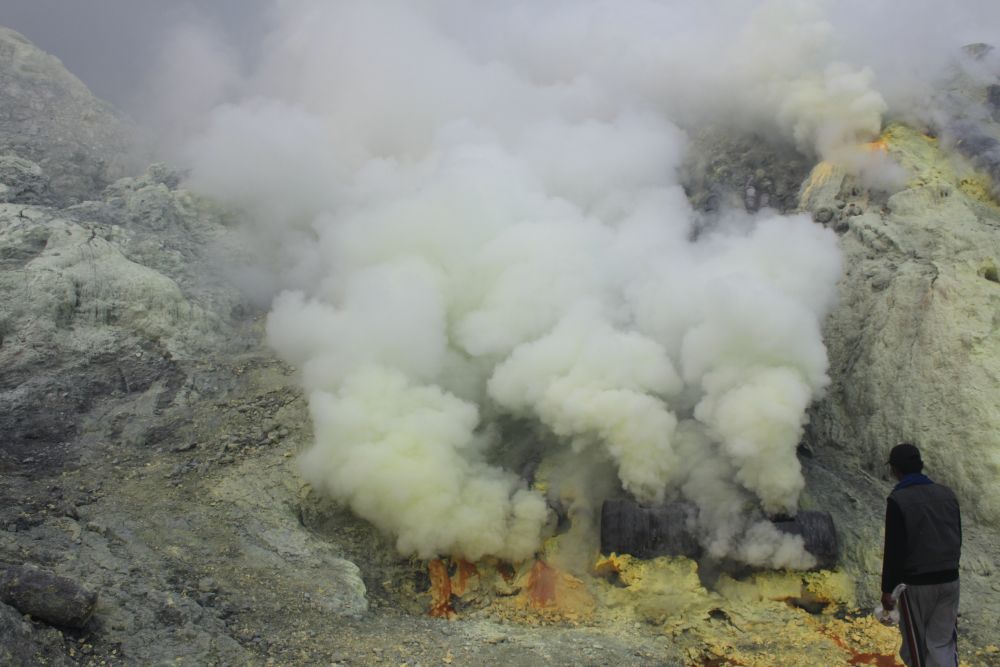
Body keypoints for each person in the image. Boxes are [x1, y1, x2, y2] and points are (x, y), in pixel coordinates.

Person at [881, 443, 962, 667]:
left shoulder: (898, 500)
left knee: (917, 647)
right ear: (921, 465)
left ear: (895, 470)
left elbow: (894, 550)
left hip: (917, 585)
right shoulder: (948, 494)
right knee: (942, 643)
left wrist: (888, 589)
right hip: (950, 580)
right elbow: (957, 536)